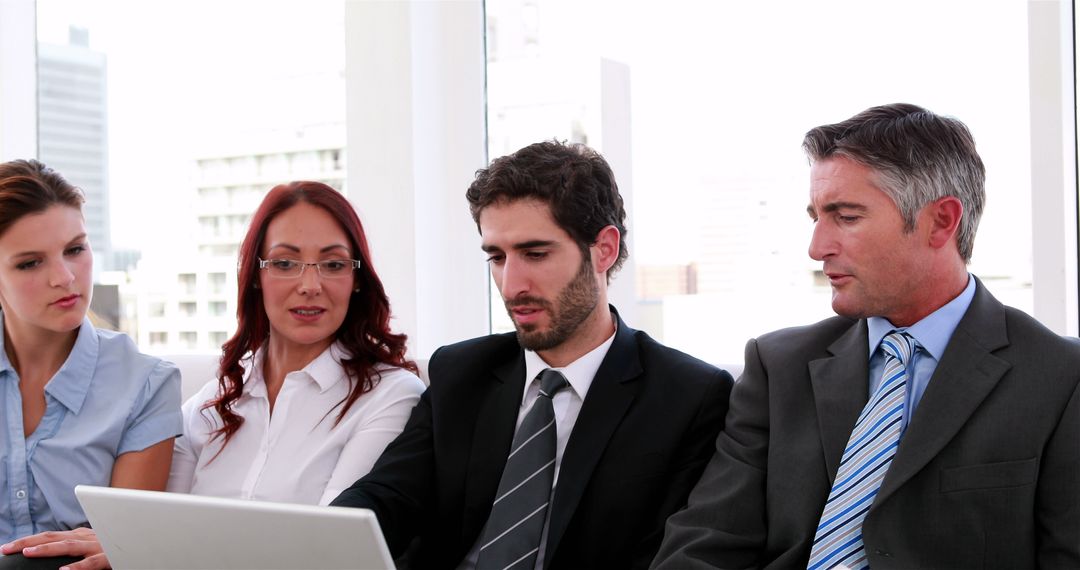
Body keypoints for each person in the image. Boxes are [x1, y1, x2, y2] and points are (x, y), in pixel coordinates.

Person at [652, 103, 1080, 569]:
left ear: (941, 221)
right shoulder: (777, 367)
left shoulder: (1060, 379)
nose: (817, 247)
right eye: (815, 216)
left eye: (846, 217)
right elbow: (704, 546)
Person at [332, 140, 734, 569]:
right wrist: (314, 538)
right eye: (497, 257)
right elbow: (386, 496)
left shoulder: (688, 396)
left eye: (535, 253)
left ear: (605, 249)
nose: (511, 285)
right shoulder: (461, 374)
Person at [4, 181, 425, 569]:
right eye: (285, 262)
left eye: (333, 265)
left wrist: (148, 544)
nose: (310, 284)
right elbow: (152, 527)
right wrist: (130, 542)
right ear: (255, 275)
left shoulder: (390, 395)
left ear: (357, 279)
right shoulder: (215, 399)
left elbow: (332, 543)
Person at [0, 160, 182, 566]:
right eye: (30, 263)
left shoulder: (146, 385)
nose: (64, 277)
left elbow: (122, 545)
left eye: (75, 249)